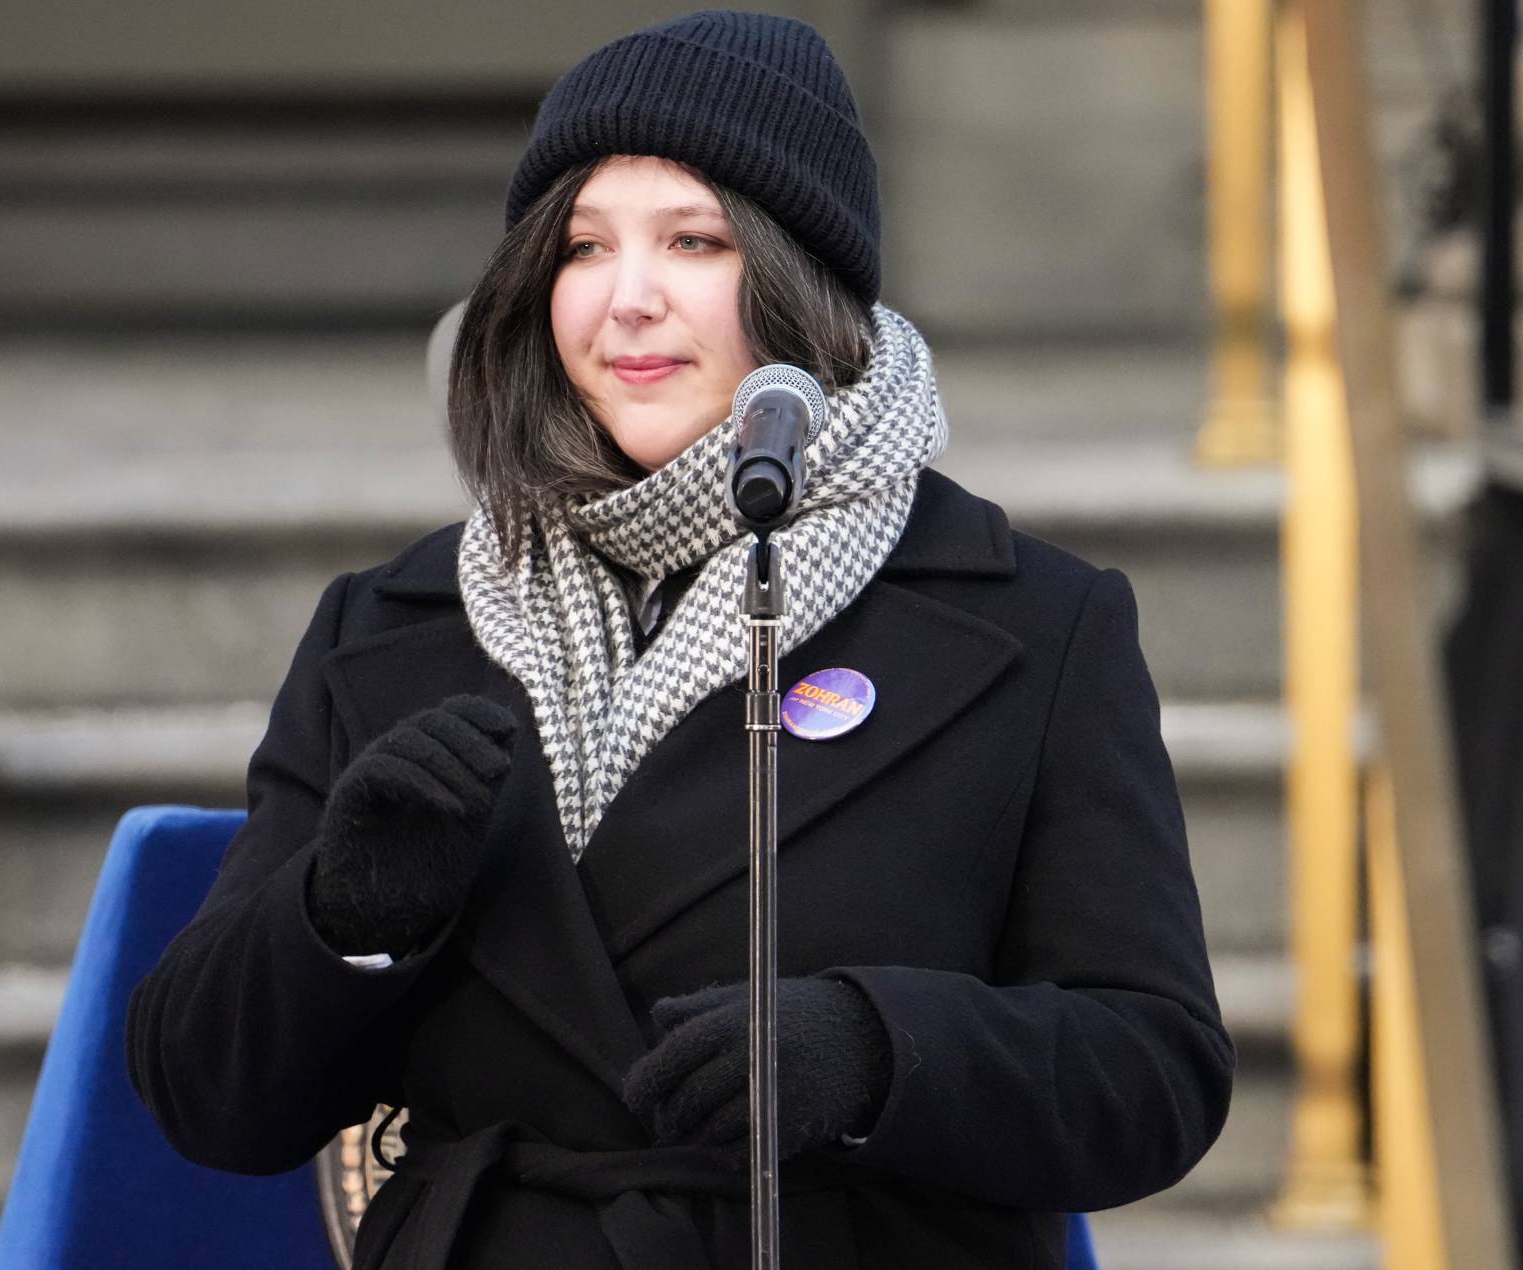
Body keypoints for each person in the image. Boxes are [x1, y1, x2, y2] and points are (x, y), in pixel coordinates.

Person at [126, 11, 1234, 1268]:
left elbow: (1154, 1073)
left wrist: (876, 1049)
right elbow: (203, 1097)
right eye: (583, 246)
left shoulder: (1029, 623)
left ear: (797, 278)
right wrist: (341, 915)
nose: (627, 299)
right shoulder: (388, 628)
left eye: (693, 241)